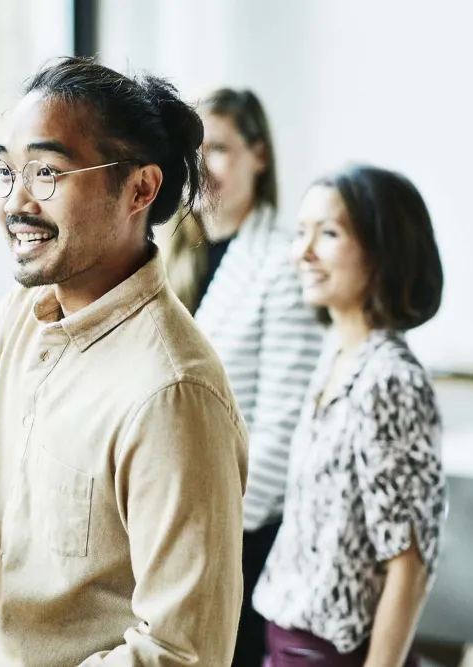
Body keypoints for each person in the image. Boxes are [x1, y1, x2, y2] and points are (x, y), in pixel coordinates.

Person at [0, 57, 249, 666]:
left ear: (140, 188)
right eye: (6, 171)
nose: (14, 202)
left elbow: (180, 651)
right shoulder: (25, 315)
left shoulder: (174, 392)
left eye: (47, 173)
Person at [252, 165, 446, 667]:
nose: (304, 252)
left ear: (383, 251)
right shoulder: (337, 355)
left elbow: (409, 564)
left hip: (334, 653)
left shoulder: (390, 380)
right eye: (300, 234)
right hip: (284, 636)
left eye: (329, 234)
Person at [158, 88, 322, 667]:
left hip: (245, 538)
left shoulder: (282, 266)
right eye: (192, 151)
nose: (203, 166)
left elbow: (280, 431)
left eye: (219, 148)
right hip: (181, 531)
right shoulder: (171, 264)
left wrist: (219, 535)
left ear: (260, 155)